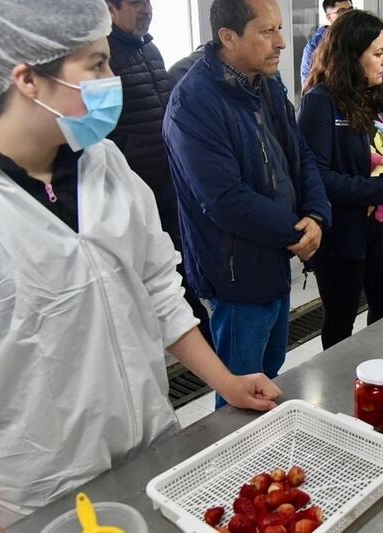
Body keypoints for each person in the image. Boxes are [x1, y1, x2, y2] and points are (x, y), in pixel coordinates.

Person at [0, 1, 282, 530]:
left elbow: (159, 287)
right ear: (27, 79)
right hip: (37, 491)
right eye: (95, 65)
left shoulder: (104, 165)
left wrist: (224, 382)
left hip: (149, 455)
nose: (111, 80)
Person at [163, 0, 331, 407]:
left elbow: (300, 155)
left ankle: (265, 456)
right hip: (235, 272)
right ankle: (236, 466)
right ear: (228, 37)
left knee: (269, 375)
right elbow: (224, 200)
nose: (280, 43)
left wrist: (316, 215)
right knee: (241, 393)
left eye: (279, 28)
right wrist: (295, 231)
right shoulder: (194, 103)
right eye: (267, 32)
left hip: (275, 256)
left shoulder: (266, 84)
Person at [297, 11, 383, 347]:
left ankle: (375, 374)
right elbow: (319, 178)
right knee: (340, 319)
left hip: (380, 228)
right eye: (378, 53)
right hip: (342, 232)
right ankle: (339, 387)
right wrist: (382, 188)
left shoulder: (378, 96)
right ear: (350, 55)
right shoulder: (320, 102)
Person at [105, 0, 213, 346]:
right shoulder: (104, 55)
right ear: (111, 9)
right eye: (136, 3)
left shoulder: (149, 50)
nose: (146, 9)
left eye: (148, 2)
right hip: (135, 184)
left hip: (169, 180)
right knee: (164, 273)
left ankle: (199, 333)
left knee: (180, 260)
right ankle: (201, 340)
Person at [300, 0, 354, 87]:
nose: (349, 16)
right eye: (341, 11)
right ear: (329, 17)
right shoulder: (315, 46)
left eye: (350, 10)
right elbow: (307, 87)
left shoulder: (361, 38)